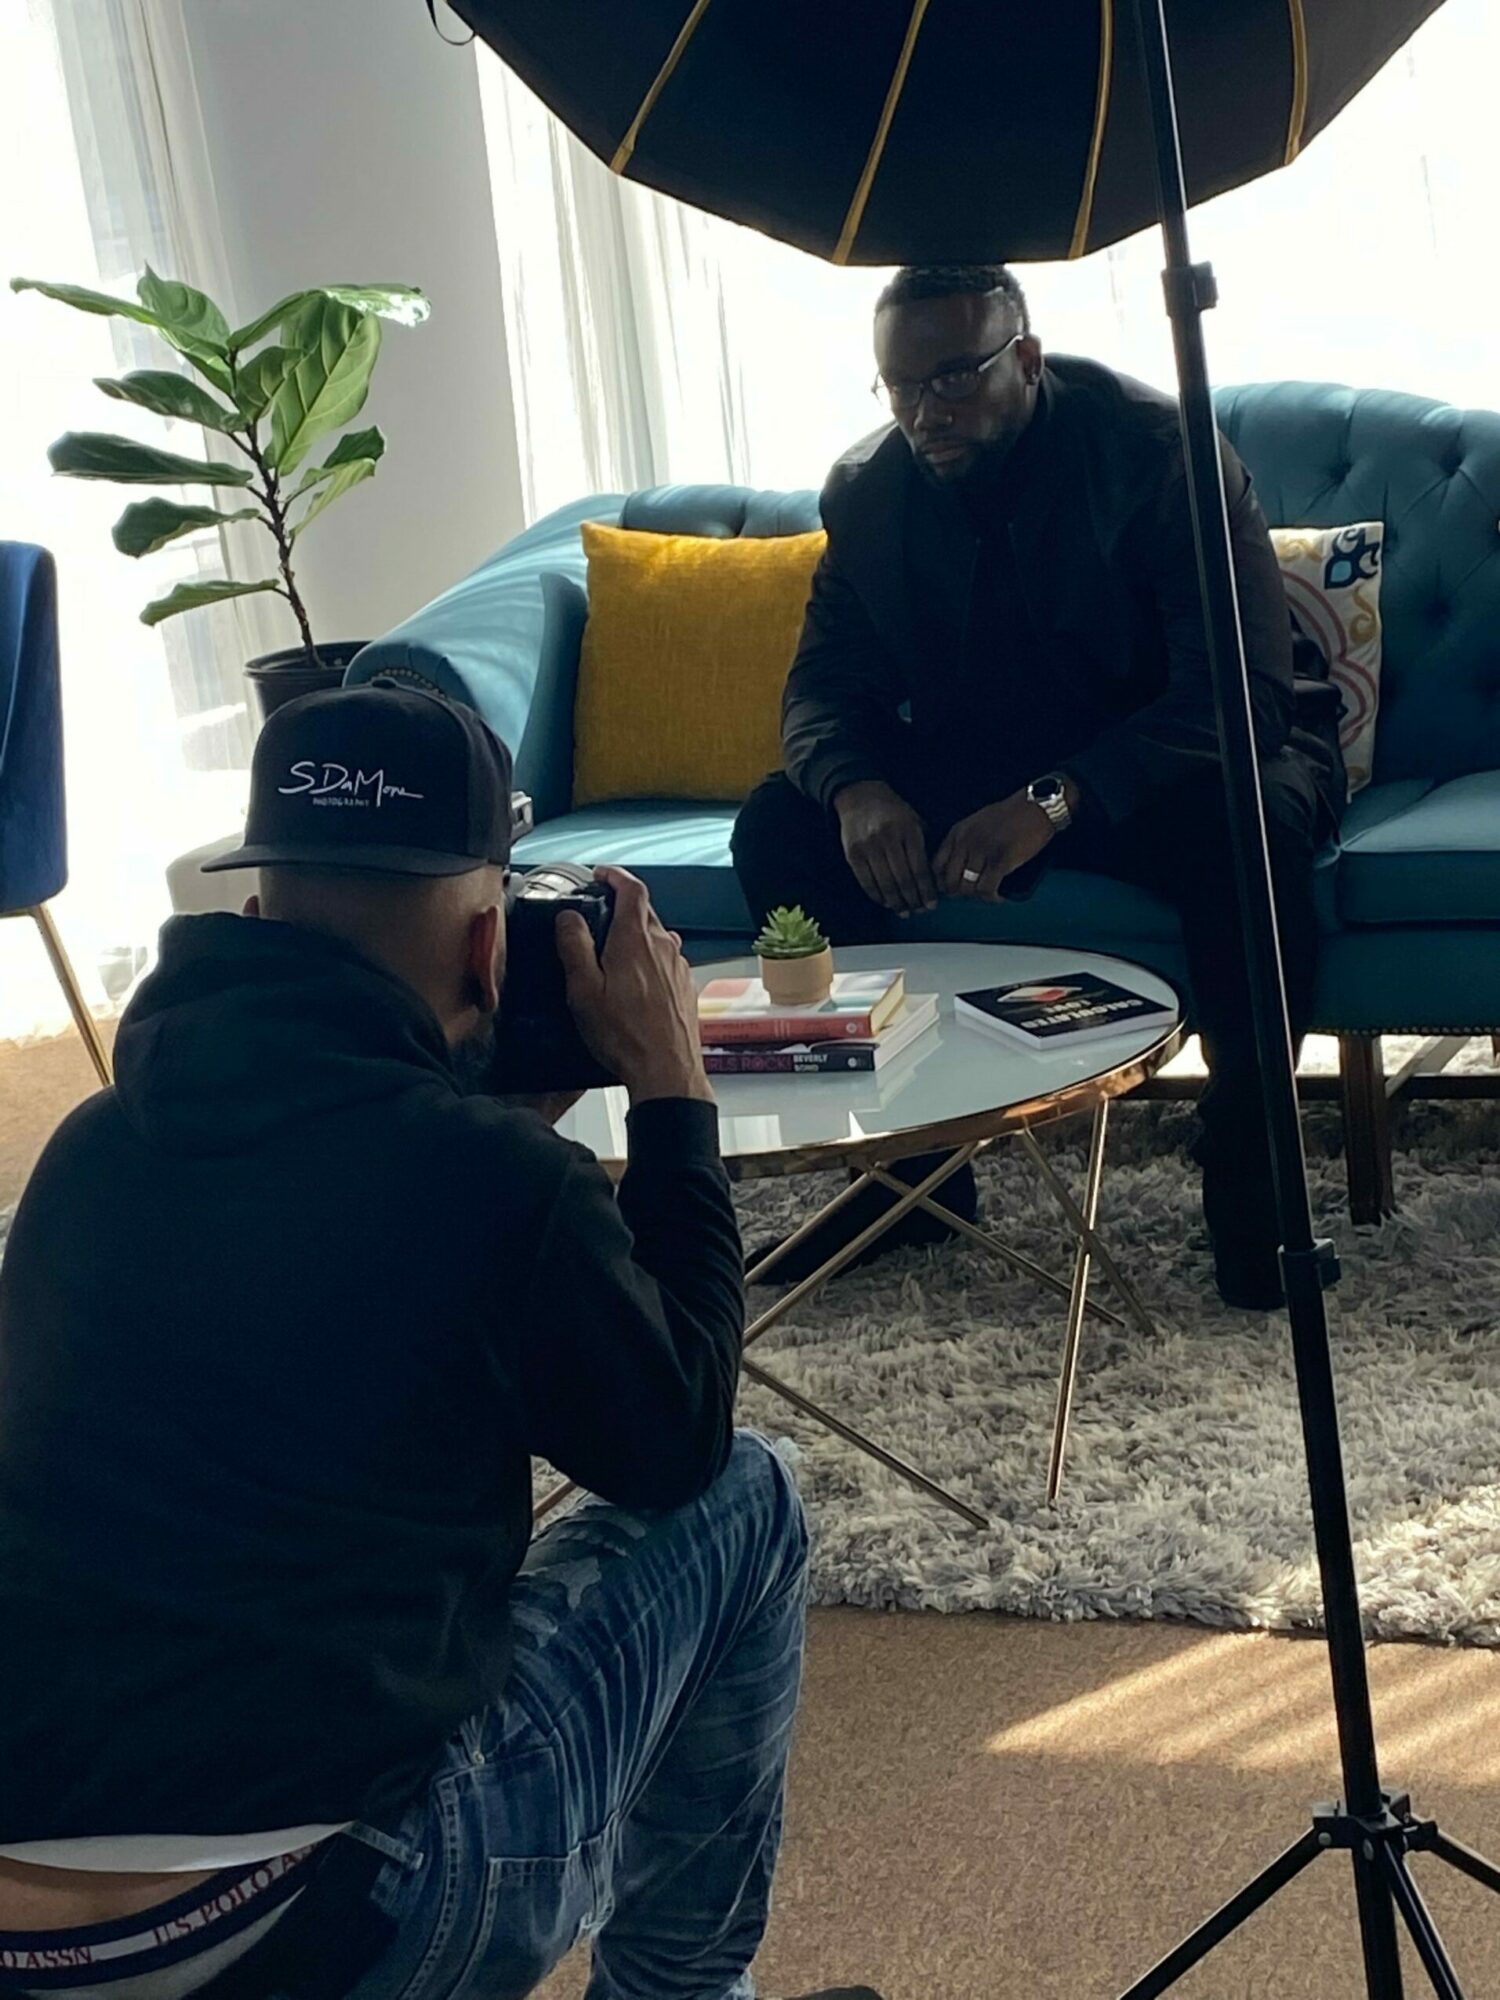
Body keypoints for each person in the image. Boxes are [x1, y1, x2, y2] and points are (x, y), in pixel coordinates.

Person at [0, 683, 880, 2000]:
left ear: (258, 913)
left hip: (37, 1936)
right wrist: (672, 1094)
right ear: (488, 947)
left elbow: (339, 1255)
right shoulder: (491, 1183)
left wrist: (494, 1129)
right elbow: (676, 1436)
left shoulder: (87, 1153)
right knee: (749, 1497)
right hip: (334, 1927)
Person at [732, 265, 1344, 1312]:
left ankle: (1254, 1195)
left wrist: (1059, 799)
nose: (926, 412)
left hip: (1184, 754)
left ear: (1026, 358)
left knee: (1253, 832)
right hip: (993, 766)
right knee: (780, 828)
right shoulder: (869, 494)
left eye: (954, 378)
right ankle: (910, 1178)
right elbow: (822, 688)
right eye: (900, 387)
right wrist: (856, 787)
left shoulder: (1162, 455)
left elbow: (1241, 692)